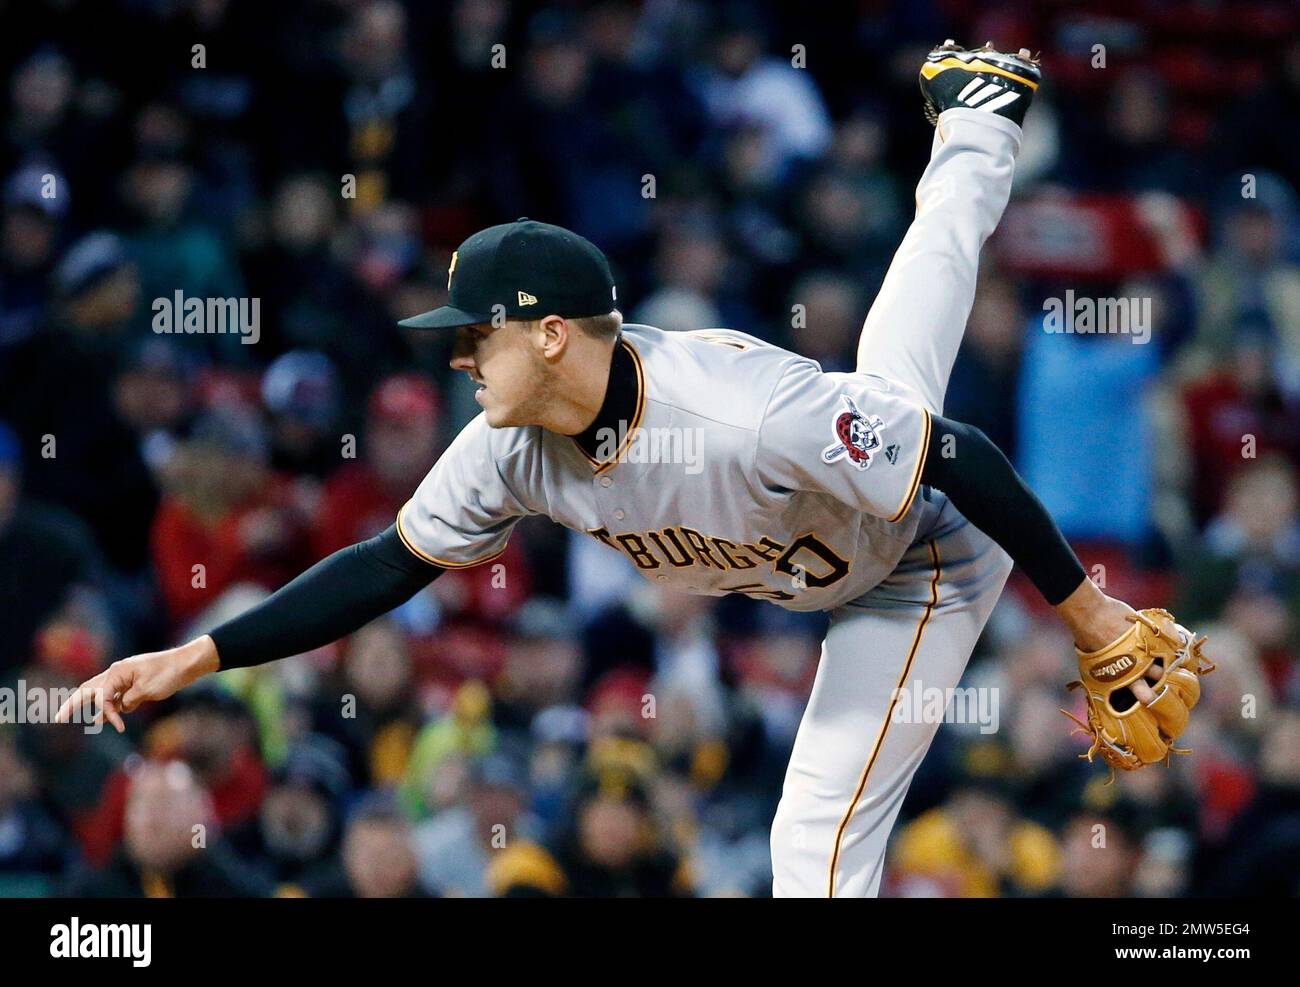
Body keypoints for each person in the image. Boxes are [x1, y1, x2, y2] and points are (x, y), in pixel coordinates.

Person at [57, 42, 1185, 897]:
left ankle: (978, 140)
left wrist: (1086, 617)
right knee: (896, 370)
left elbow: (962, 457)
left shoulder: (734, 407)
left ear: (551, 334)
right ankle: (979, 129)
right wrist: (196, 655)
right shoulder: (505, 448)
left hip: (920, 554)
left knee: (809, 838)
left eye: (475, 332)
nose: (458, 352)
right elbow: (385, 567)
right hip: (827, 529)